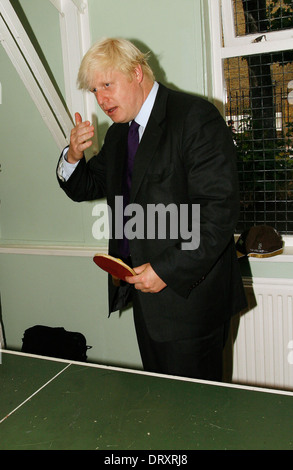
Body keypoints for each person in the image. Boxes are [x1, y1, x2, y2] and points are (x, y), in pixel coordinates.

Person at [57, 38, 247, 382]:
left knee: (197, 416)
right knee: (164, 410)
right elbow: (85, 185)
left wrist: (165, 270)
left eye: (107, 85)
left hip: (191, 302)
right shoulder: (119, 136)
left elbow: (217, 214)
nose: (100, 99)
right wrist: (72, 156)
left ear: (137, 73)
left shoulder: (195, 117)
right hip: (145, 300)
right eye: (94, 89)